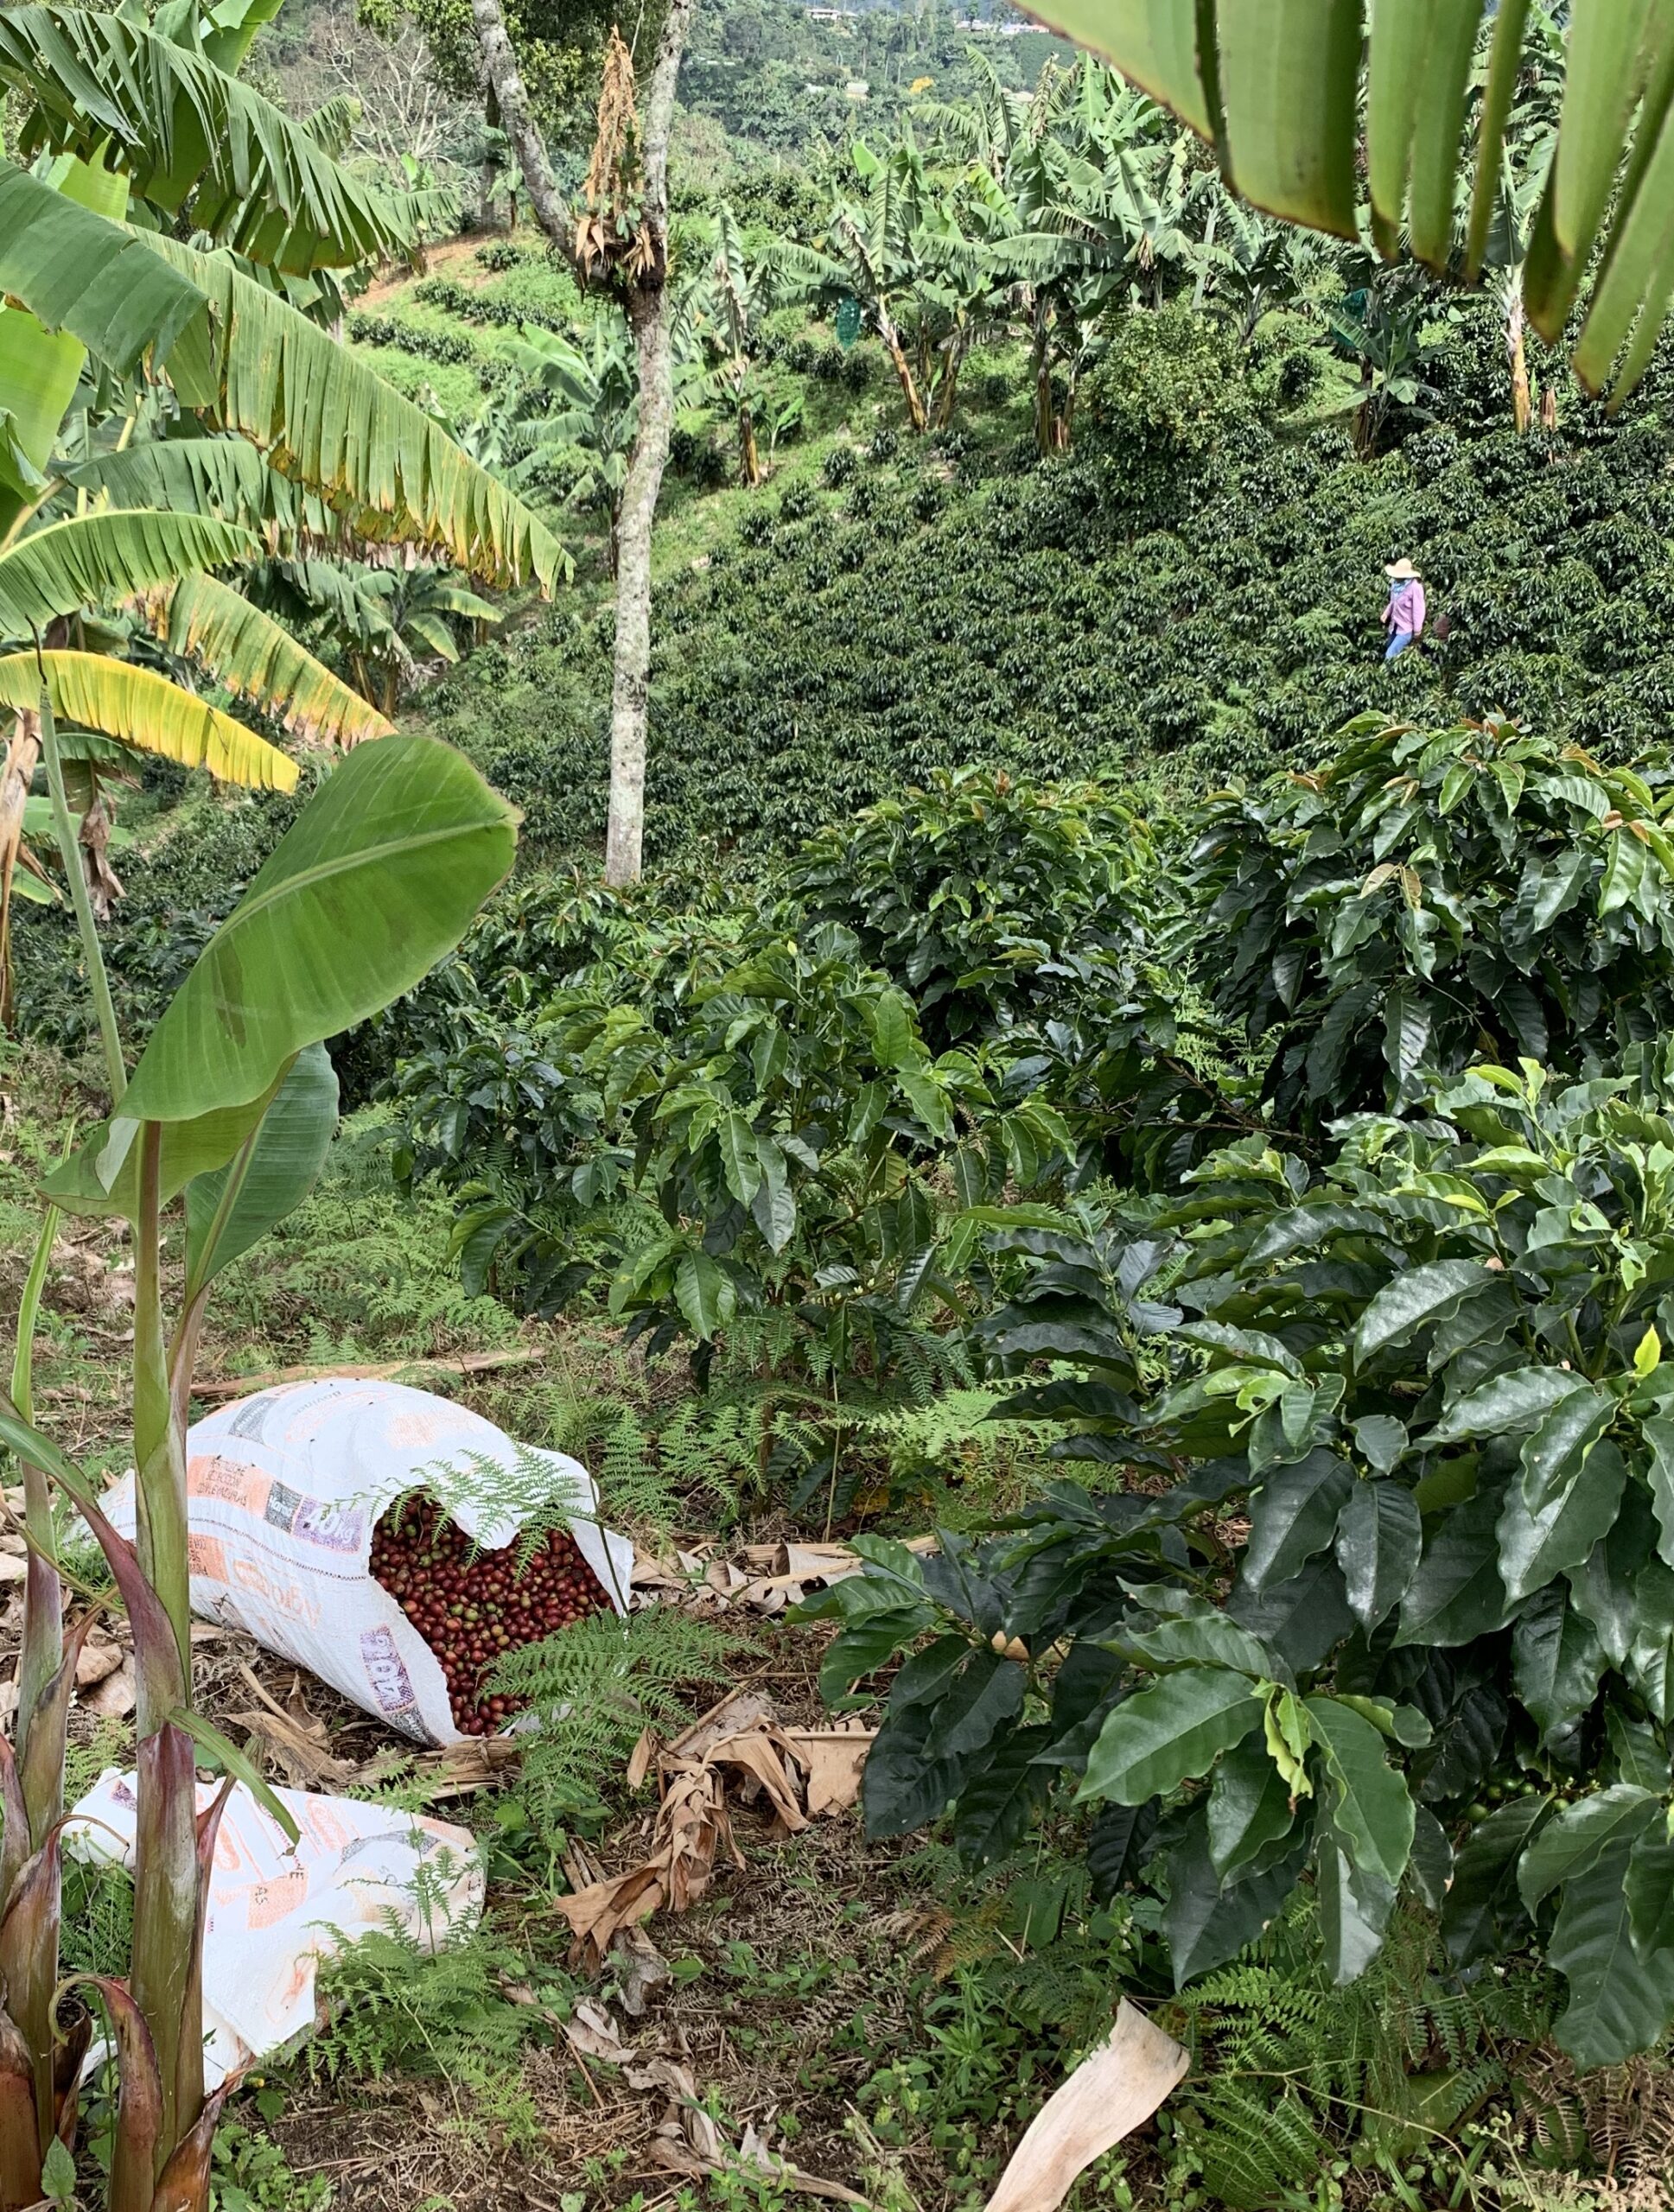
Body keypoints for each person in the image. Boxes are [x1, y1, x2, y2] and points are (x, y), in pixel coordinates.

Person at [1383, 557, 1426, 659]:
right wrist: (1386, 613)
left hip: (1406, 629)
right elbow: (1393, 602)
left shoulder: (1415, 587)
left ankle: (1384, 674)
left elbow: (1418, 610)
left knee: (1390, 655)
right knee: (1390, 649)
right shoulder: (1395, 584)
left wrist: (1417, 630)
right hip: (1394, 627)